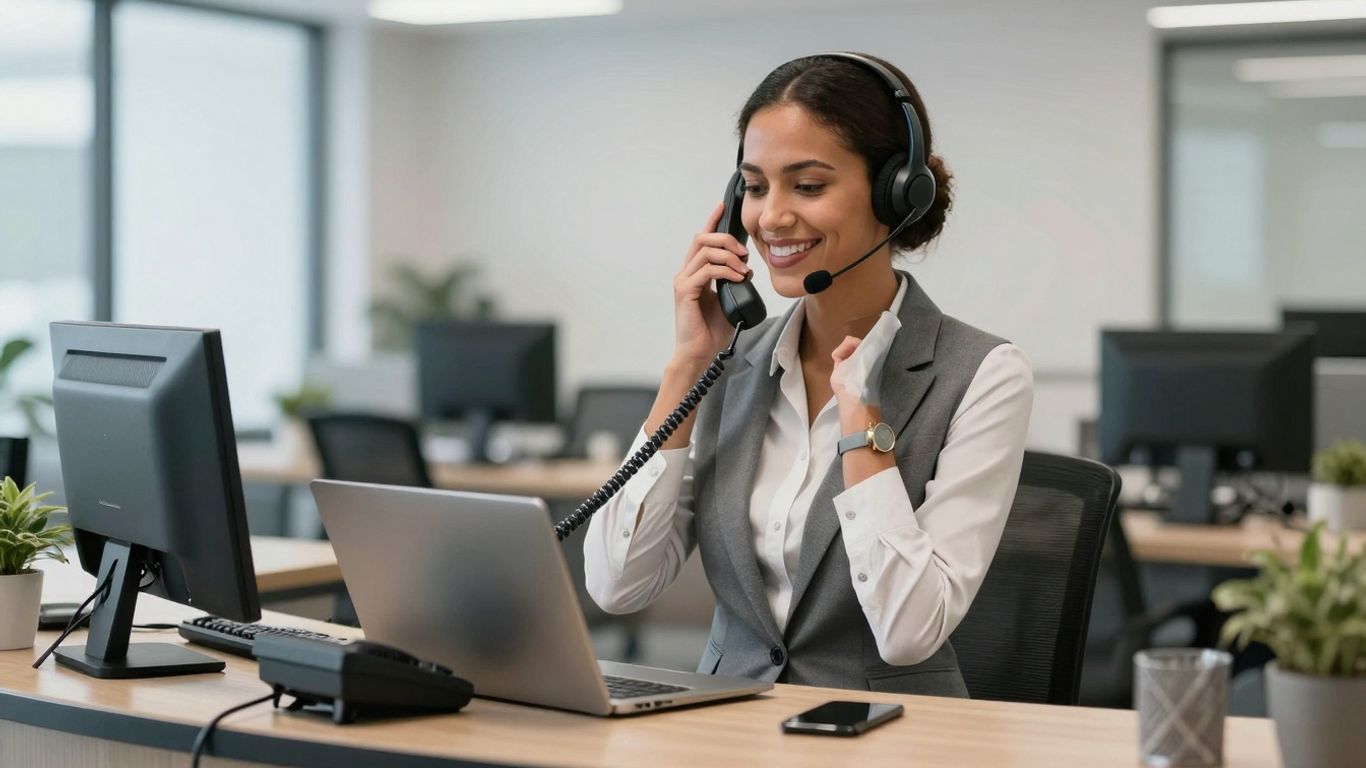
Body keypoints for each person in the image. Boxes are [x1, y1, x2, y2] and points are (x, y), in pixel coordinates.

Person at [583, 53, 1033, 696]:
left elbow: (910, 632)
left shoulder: (984, 374)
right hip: (725, 725)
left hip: (893, 728)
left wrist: (863, 425)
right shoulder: (729, 363)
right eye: (754, 187)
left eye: (809, 186)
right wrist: (687, 367)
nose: (771, 218)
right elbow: (617, 586)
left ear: (895, 193)